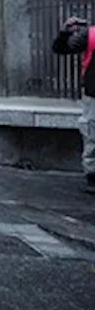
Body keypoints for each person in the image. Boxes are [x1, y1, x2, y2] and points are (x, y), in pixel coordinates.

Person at [52, 15, 95, 193]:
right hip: (94, 95)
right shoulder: (90, 34)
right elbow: (61, 48)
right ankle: (93, 176)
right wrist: (64, 33)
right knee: (92, 133)